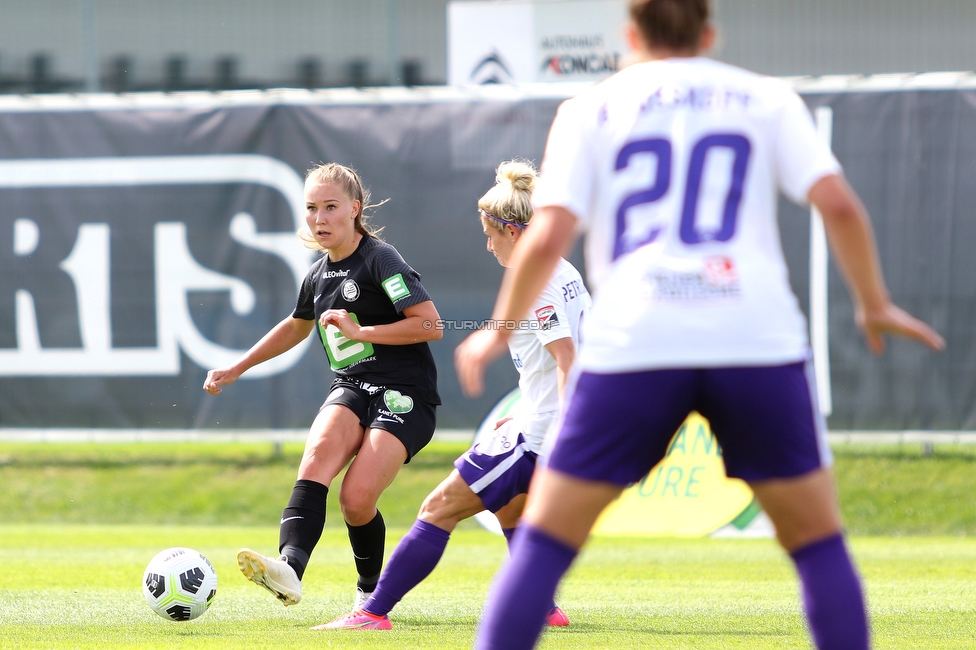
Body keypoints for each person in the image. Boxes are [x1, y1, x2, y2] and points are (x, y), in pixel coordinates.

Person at [454, 2, 946, 649]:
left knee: (545, 542)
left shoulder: (590, 109)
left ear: (631, 34)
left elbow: (546, 234)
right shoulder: (765, 98)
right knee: (817, 542)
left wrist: (494, 331)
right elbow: (838, 206)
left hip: (638, 343)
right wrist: (873, 301)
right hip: (754, 340)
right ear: (710, 33)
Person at [315, 160, 589, 631]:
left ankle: (371, 612)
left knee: (438, 507)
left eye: (490, 234)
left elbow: (567, 359)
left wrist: (559, 430)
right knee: (509, 505)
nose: (488, 244)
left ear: (511, 230)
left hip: (545, 433)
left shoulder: (538, 280)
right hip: (538, 423)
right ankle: (544, 606)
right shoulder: (562, 270)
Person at [203, 162, 443, 613]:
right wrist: (238, 366)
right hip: (352, 385)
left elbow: (430, 325)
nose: (319, 219)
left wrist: (362, 332)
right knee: (315, 459)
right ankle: (289, 568)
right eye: (311, 208)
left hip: (405, 394)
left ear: (354, 209)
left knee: (355, 500)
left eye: (331, 207)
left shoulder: (380, 258)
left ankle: (371, 590)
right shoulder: (317, 274)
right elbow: (296, 326)